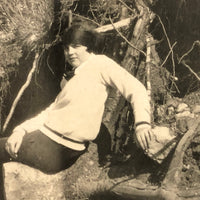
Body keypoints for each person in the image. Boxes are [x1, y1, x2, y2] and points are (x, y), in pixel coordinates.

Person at [0, 24, 153, 174]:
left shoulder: (100, 63)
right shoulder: (71, 78)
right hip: (49, 141)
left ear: (88, 46)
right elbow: (50, 111)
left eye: (76, 46)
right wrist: (20, 130)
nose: (70, 52)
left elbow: (136, 88)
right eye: (66, 48)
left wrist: (142, 123)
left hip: (56, 147)